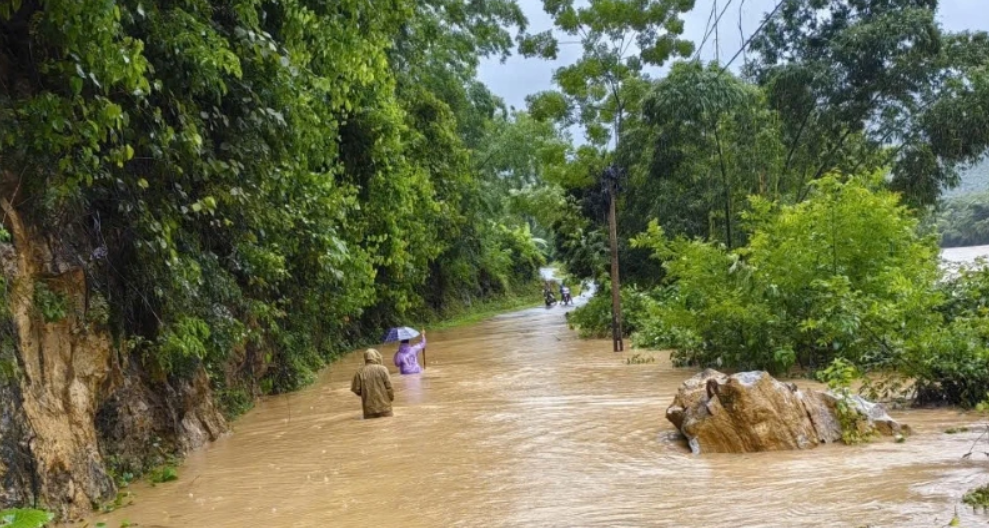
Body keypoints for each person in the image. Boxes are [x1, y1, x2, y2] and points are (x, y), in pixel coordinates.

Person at [351, 348, 394, 419]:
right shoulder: (383, 369)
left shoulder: (359, 372)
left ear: (365, 358)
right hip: (385, 407)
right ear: (375, 357)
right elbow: (389, 387)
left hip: (368, 409)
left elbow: (356, 389)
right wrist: (390, 399)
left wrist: (366, 394)